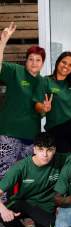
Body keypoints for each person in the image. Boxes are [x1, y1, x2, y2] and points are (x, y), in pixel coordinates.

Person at [0, 133, 65, 227]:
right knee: (1, 212)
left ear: (55, 150)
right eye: (40, 149)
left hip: (45, 208)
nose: (45, 154)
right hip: (24, 204)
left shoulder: (61, 159)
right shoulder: (21, 167)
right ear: (34, 149)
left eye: (49, 150)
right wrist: (3, 210)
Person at [0, 22, 45, 181]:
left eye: (38, 60)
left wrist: (45, 109)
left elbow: (39, 107)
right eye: (31, 59)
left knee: (26, 178)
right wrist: (3, 41)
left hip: (31, 137)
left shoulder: (42, 81)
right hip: (9, 134)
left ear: (42, 63)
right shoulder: (15, 71)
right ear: (26, 61)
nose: (34, 63)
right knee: (4, 175)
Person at [35, 51, 71, 153]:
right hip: (56, 129)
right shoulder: (46, 81)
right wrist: (44, 108)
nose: (66, 66)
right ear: (58, 62)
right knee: (63, 160)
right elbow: (37, 104)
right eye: (64, 62)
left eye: (70, 65)